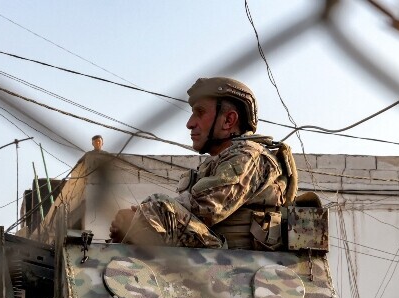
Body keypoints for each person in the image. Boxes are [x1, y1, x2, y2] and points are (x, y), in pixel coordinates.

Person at [109, 77, 296, 250]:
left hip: (236, 262)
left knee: (159, 210)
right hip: (220, 256)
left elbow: (205, 209)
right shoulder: (218, 161)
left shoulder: (250, 156)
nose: (190, 123)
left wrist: (140, 216)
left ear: (228, 120)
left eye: (200, 113)